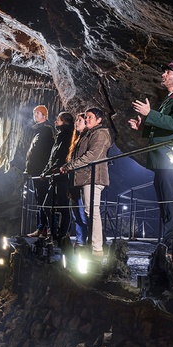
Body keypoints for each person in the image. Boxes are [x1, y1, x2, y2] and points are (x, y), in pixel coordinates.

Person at [129, 59, 173, 264]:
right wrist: (143, 126)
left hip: (170, 158)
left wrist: (150, 114)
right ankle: (170, 247)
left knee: (172, 206)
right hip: (163, 158)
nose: (163, 74)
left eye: (168, 72)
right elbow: (165, 124)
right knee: (166, 205)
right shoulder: (171, 98)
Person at [59, 108, 112, 258]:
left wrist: (69, 166)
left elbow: (92, 155)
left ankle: (96, 248)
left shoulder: (101, 133)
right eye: (86, 117)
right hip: (85, 177)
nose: (87, 119)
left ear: (99, 120)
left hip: (93, 177)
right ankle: (93, 245)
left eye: (90, 117)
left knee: (92, 212)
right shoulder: (87, 134)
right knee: (88, 212)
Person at [41, 112, 75, 243]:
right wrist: (46, 171)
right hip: (54, 176)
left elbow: (60, 156)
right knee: (47, 206)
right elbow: (52, 157)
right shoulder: (60, 135)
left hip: (61, 176)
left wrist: (49, 171)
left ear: (65, 122)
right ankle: (55, 232)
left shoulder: (66, 136)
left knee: (63, 206)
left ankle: (61, 234)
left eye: (58, 120)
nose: (55, 121)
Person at [24, 105, 55, 237]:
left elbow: (43, 152)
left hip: (41, 172)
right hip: (37, 171)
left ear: (44, 116)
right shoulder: (39, 130)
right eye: (34, 113)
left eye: (38, 113)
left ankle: (45, 228)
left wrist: (43, 170)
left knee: (42, 199)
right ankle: (41, 227)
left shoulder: (46, 131)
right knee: (39, 200)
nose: (35, 115)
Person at [67, 113, 88, 247]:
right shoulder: (76, 140)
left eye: (80, 120)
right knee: (77, 214)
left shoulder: (86, 139)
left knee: (83, 213)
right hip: (73, 181)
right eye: (76, 120)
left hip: (82, 180)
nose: (77, 122)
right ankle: (80, 240)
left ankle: (85, 240)